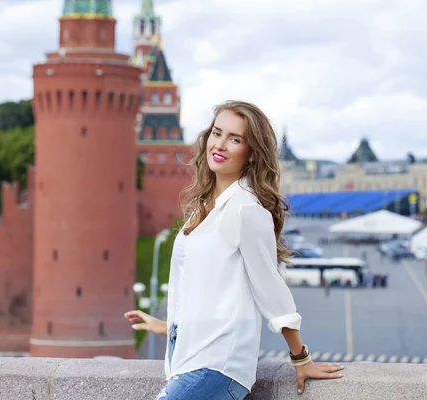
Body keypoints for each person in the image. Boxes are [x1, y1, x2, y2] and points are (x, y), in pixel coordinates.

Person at [124, 101, 344, 399]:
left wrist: (301, 358)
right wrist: (167, 326)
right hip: (191, 361)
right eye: (217, 133)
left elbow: (271, 289)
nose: (221, 144)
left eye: (235, 139)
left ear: (251, 153)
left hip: (217, 368)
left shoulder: (245, 209)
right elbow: (211, 291)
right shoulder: (203, 209)